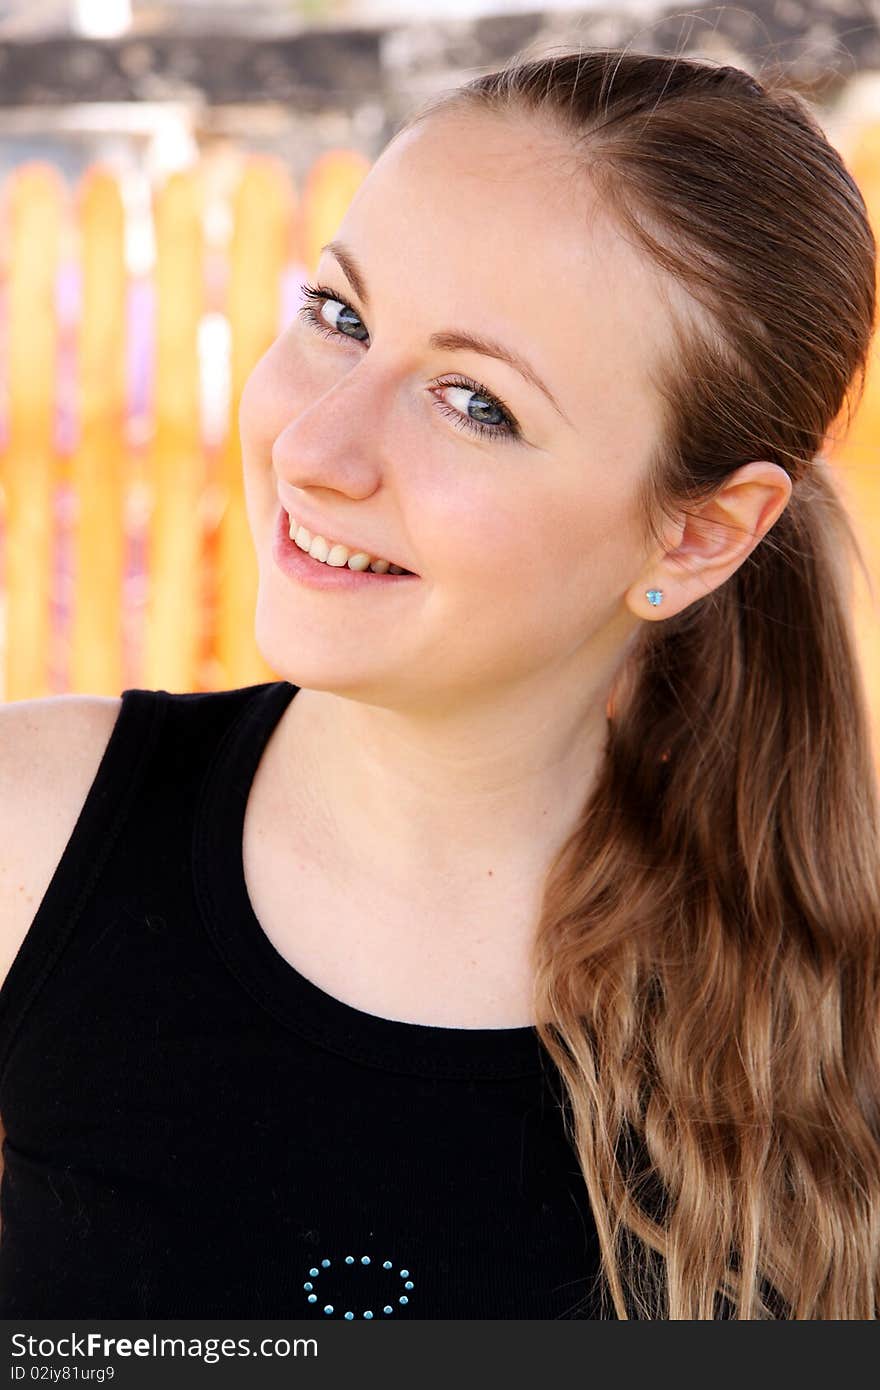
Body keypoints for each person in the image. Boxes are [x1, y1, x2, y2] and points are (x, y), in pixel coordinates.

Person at [0, 47, 878, 1321]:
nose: (313, 446)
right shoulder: (31, 838)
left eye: (473, 402)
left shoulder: (840, 1022)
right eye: (340, 318)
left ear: (695, 536)